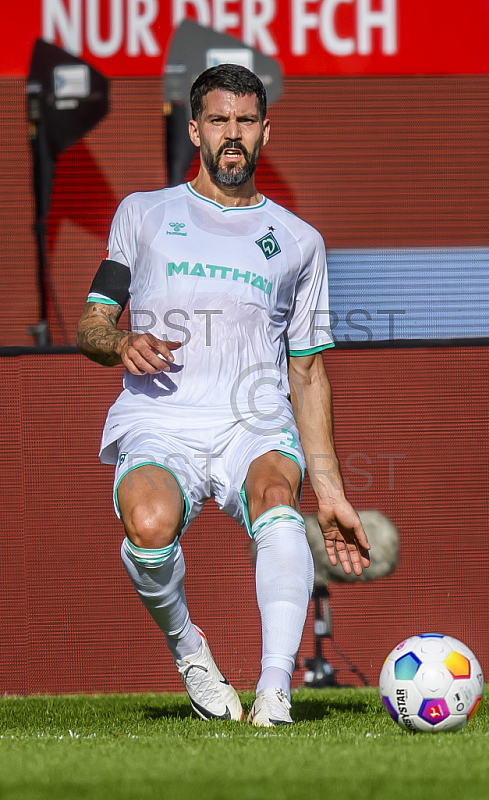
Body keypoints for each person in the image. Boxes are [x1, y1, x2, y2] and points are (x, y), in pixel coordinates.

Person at [76, 64, 370, 727]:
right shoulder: (144, 214)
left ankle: (273, 691)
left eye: (244, 121)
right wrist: (119, 342)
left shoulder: (299, 243)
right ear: (194, 129)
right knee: (148, 526)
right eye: (218, 120)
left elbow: (309, 373)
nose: (231, 135)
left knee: (277, 505)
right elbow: (92, 320)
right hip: (160, 417)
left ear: (266, 130)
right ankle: (190, 652)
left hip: (253, 421)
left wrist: (330, 492)